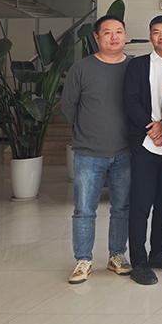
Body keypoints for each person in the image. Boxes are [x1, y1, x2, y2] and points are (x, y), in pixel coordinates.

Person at [62, 15, 133, 284]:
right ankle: (83, 260)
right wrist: (89, 130)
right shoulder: (81, 69)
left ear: (125, 35)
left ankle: (117, 255)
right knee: (84, 209)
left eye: (119, 31)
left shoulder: (134, 67)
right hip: (88, 152)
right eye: (107, 32)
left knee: (122, 207)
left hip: (125, 151)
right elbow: (68, 108)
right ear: (96, 38)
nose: (114, 37)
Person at [122, 14, 162, 285]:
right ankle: (139, 262)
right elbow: (130, 100)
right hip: (146, 145)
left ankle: (158, 252)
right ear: (150, 37)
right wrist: (153, 127)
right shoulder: (138, 65)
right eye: (156, 32)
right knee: (140, 206)